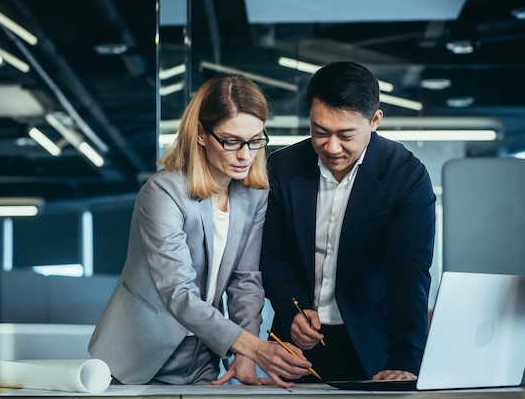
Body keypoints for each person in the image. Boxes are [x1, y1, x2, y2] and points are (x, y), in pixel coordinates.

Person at [89, 74, 312, 388]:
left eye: (255, 140)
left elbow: (245, 280)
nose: (245, 155)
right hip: (137, 355)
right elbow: (177, 292)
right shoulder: (164, 192)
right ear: (201, 135)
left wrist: (245, 357)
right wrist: (255, 346)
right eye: (231, 141)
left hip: (204, 354)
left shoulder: (253, 195)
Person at [260, 61, 436, 382]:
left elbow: (409, 275)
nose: (332, 147)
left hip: (374, 348)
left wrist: (406, 358)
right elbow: (272, 255)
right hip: (297, 347)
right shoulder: (283, 166)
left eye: (346, 134)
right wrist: (292, 309)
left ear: (375, 121)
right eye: (320, 131)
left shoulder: (406, 175)